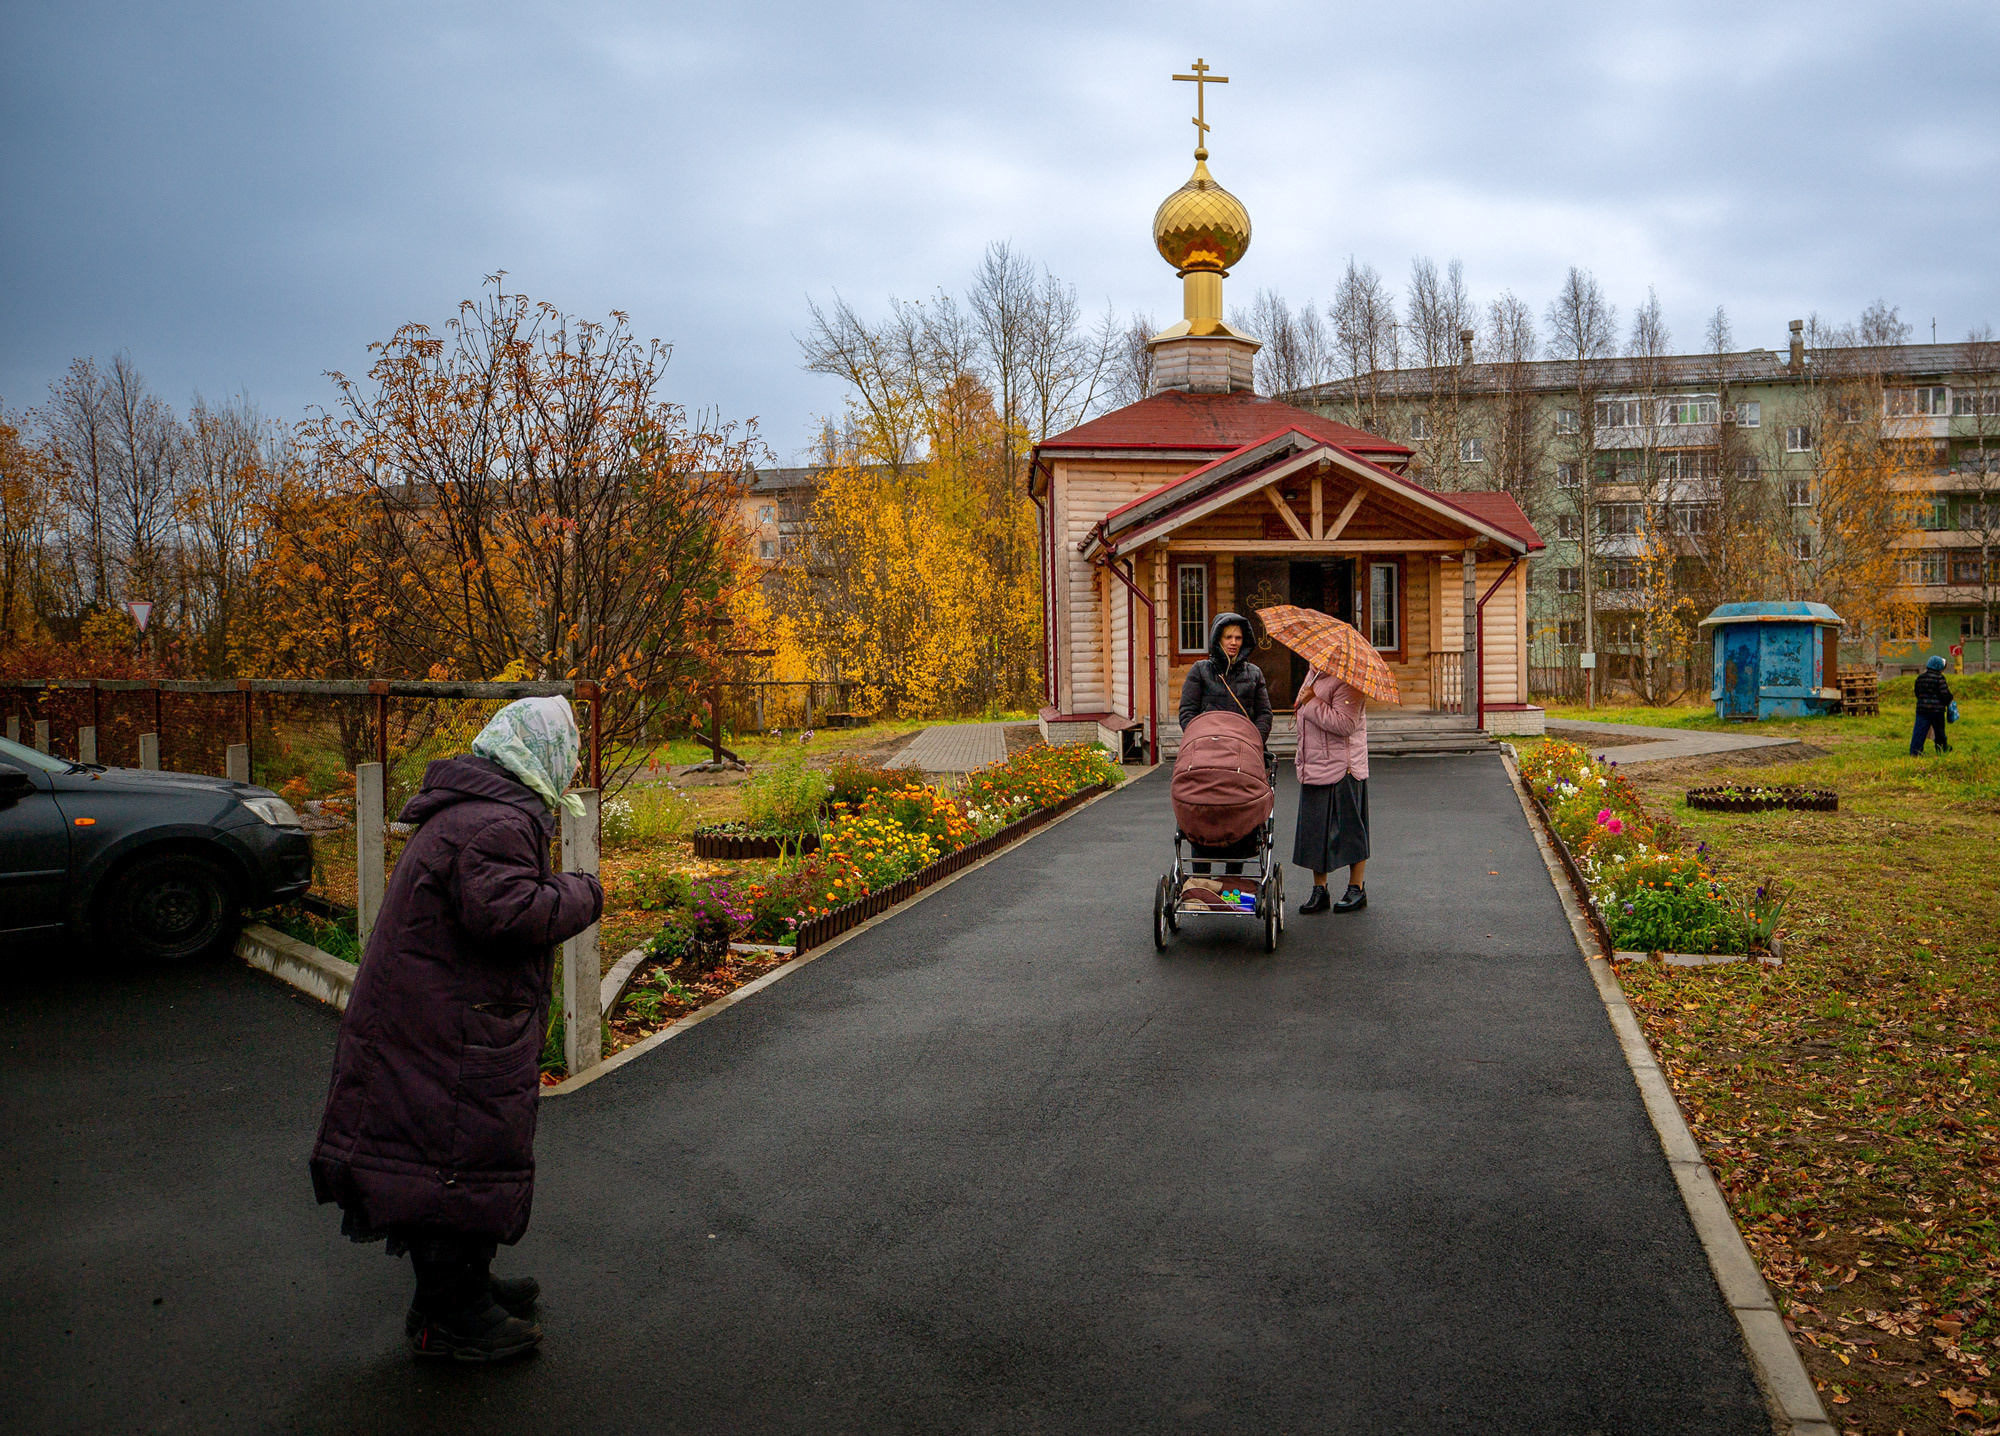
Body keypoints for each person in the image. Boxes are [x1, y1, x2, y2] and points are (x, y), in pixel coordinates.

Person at [310, 697, 603, 1362]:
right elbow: (507, 913)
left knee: (455, 1154)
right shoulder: (495, 821)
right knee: (448, 1157)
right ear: (539, 753)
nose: (575, 762)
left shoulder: (482, 811)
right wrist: (582, 892)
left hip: (438, 1018)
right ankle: (450, 1315)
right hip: (443, 1031)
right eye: (569, 749)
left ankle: (462, 1285)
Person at [1178, 612, 1274, 884]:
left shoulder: (1253, 674)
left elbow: (1264, 714)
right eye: (1228, 637)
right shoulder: (1200, 671)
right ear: (1217, 638)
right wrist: (1204, 740)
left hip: (1243, 758)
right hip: (1207, 757)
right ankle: (1200, 883)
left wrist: (1253, 742)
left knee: (1239, 814)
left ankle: (1233, 883)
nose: (1233, 642)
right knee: (1203, 812)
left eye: (1238, 638)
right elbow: (1188, 713)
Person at [1292, 667, 1370, 913]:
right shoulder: (1313, 674)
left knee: (1350, 830)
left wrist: (1311, 702)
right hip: (1314, 765)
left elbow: (1346, 724)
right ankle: (1320, 889)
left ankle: (1356, 888)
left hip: (1342, 768)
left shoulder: (1350, 680)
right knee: (1316, 831)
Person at [1911, 654, 1954, 756]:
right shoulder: (1940, 678)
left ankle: (1915, 752)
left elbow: (1917, 693)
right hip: (1937, 711)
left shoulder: (1920, 678)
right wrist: (1949, 701)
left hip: (1922, 710)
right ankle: (1942, 749)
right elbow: (1945, 695)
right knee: (1939, 732)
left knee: (1919, 732)